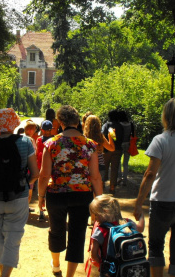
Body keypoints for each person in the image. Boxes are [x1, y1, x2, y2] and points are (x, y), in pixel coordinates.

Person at [133, 98, 175, 277]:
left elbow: (150, 174)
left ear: (167, 116)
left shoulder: (161, 140)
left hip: (163, 200)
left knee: (156, 246)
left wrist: (138, 203)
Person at [38, 105, 103, 277]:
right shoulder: (90, 145)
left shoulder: (51, 144)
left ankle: (56, 266)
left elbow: (44, 175)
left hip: (56, 194)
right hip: (82, 196)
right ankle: (70, 275)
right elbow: (95, 177)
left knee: (56, 231)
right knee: (77, 235)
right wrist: (100, 200)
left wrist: (40, 196)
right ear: (77, 121)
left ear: (59, 122)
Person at [0, 108, 39, 277]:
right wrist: (26, 183)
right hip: (19, 196)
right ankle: (5, 275)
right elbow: (35, 173)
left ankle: (3, 271)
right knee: (13, 237)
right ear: (15, 122)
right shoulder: (26, 142)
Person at [89, 194, 145, 272]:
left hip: (110, 271)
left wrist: (104, 265)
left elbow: (93, 254)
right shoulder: (128, 223)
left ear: (105, 211)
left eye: (96, 215)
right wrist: (142, 216)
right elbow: (141, 228)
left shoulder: (101, 230)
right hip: (129, 269)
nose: (95, 218)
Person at [84, 114, 115, 225]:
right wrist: (110, 136)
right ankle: (96, 218)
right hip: (100, 166)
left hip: (87, 166)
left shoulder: (84, 138)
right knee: (98, 193)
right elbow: (112, 148)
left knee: (89, 192)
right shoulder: (101, 137)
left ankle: (92, 217)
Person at [101, 110, 124, 196]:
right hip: (118, 149)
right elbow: (123, 137)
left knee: (104, 167)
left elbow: (102, 135)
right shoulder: (121, 126)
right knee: (115, 168)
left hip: (107, 150)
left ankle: (102, 183)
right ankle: (112, 187)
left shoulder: (106, 125)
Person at [117, 110, 134, 187]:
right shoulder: (131, 124)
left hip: (120, 144)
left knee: (118, 162)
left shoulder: (119, 125)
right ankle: (125, 180)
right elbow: (134, 135)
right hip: (128, 144)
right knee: (125, 163)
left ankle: (119, 177)